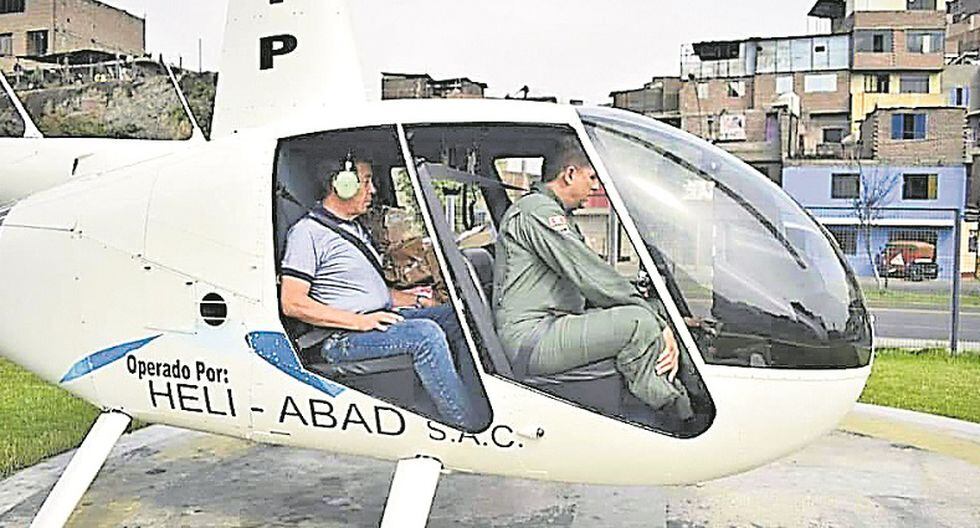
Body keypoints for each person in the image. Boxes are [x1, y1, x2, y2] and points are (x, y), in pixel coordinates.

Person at [492, 139, 692, 419]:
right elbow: (589, 273)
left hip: (550, 325)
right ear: (569, 174)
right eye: (592, 177)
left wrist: (660, 314)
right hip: (531, 338)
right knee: (642, 322)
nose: (597, 187)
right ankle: (674, 413)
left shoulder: (550, 212)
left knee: (657, 311)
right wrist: (655, 320)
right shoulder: (537, 213)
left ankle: (691, 392)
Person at [279, 156, 480, 430]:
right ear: (341, 184)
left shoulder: (354, 228)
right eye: (366, 182)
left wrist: (419, 300)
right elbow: (292, 302)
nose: (373, 190)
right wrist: (360, 322)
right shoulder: (307, 233)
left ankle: (477, 403)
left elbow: (371, 292)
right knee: (425, 334)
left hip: (373, 321)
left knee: (460, 318)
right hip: (340, 337)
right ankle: (468, 424)